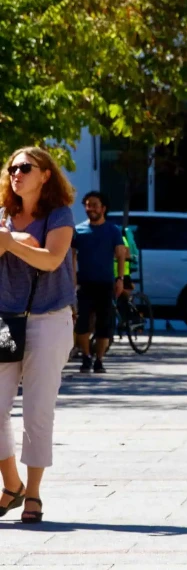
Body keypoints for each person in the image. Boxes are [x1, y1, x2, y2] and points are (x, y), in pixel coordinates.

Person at [0, 147, 76, 524]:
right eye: (12, 167)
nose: (17, 173)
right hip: (4, 319)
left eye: (25, 167)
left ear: (45, 175)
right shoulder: (1, 214)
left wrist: (12, 242)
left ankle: (33, 493)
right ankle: (10, 484)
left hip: (49, 319)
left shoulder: (59, 214)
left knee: (37, 411)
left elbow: (52, 259)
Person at [72, 191, 126, 374]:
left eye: (94, 205)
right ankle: (86, 357)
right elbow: (71, 258)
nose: (91, 208)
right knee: (82, 323)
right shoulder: (78, 231)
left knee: (105, 325)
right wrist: (72, 280)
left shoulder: (113, 231)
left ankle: (99, 360)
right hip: (84, 284)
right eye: (87, 205)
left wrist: (120, 279)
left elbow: (120, 256)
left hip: (106, 285)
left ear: (103, 208)